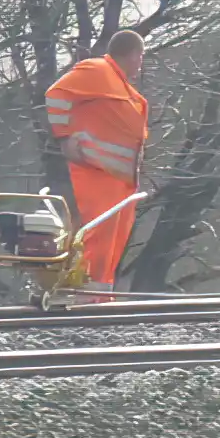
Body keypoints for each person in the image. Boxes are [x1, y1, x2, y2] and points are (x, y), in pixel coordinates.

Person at [43, 29, 151, 293]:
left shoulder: (118, 82)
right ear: (134, 54)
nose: (141, 63)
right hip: (97, 172)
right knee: (99, 235)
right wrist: (65, 137)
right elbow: (55, 95)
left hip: (120, 178)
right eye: (141, 56)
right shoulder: (96, 69)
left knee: (113, 240)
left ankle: (100, 296)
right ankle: (87, 295)